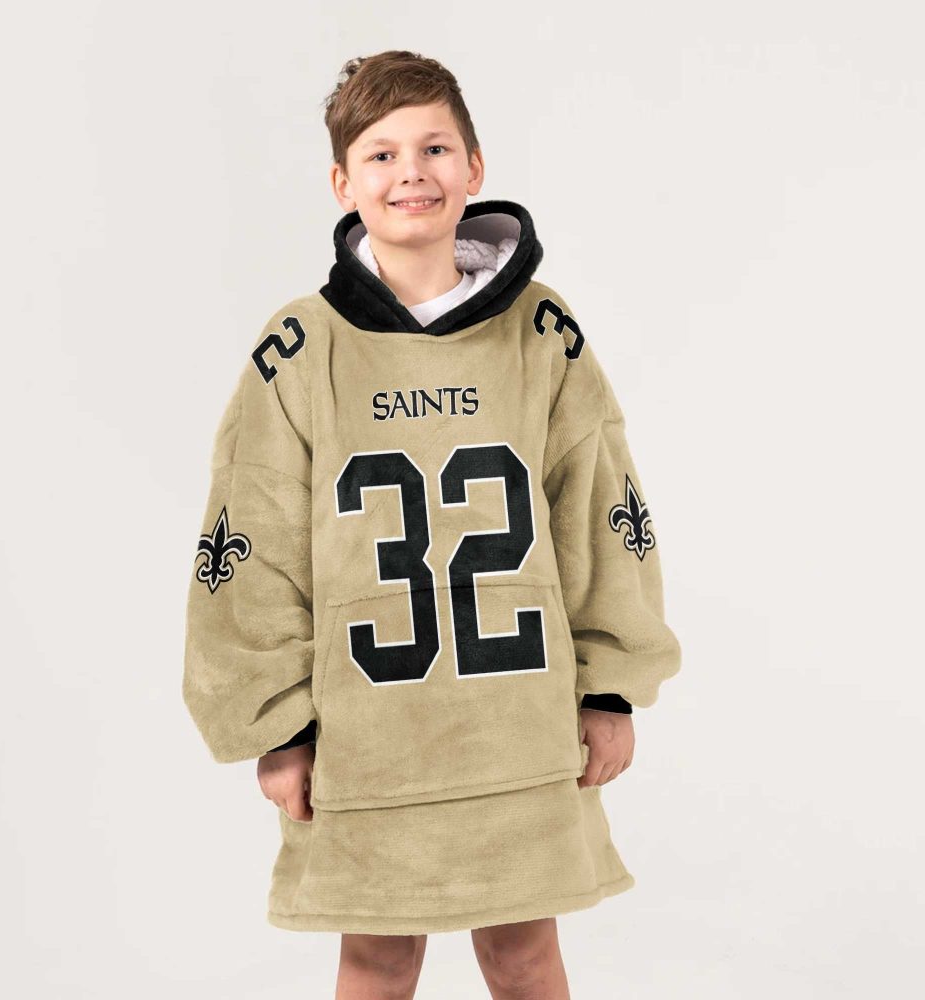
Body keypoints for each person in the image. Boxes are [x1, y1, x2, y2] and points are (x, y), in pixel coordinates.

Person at [182, 49, 681, 999]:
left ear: (475, 167)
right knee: (377, 958)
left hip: (518, 727)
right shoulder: (301, 349)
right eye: (381, 155)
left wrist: (611, 686)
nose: (410, 172)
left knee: (523, 953)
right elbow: (254, 537)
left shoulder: (540, 332)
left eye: (434, 148)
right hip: (367, 738)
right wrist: (277, 724)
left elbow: (596, 503)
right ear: (343, 183)